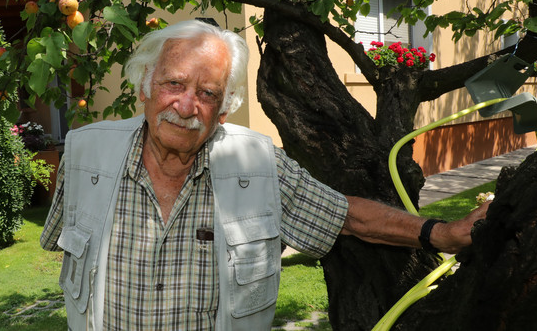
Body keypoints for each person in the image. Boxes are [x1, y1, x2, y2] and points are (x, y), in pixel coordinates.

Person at [40, 19, 489, 330]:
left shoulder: (256, 166)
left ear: (223, 108)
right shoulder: (84, 154)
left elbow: (347, 216)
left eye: (207, 93)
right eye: (173, 84)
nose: (185, 105)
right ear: (144, 84)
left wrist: (442, 234)